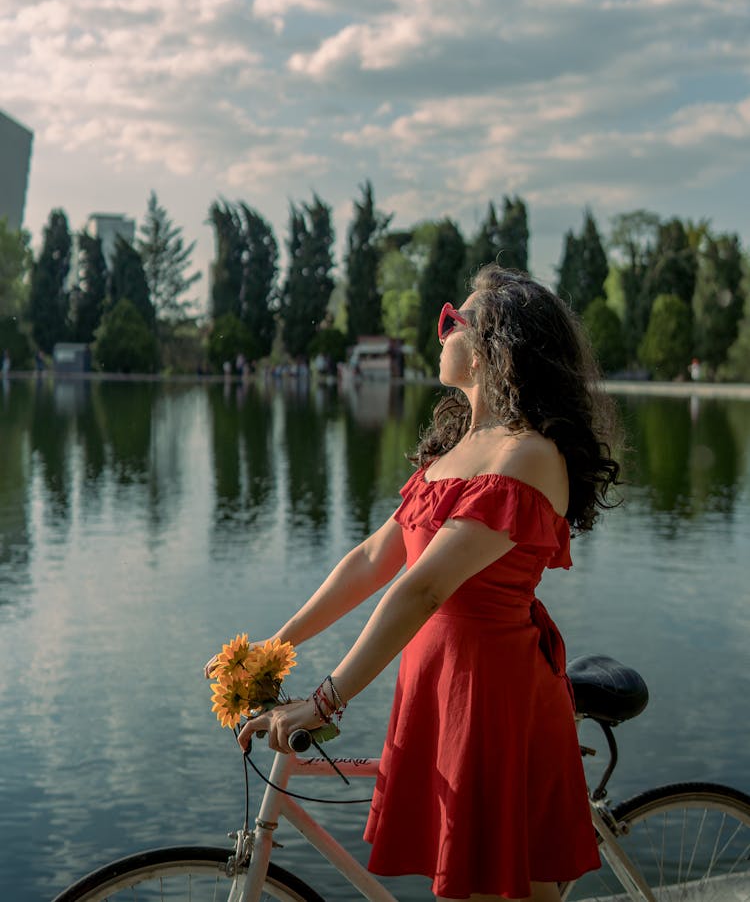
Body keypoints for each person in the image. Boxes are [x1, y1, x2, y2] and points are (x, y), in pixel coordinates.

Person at [205, 265, 621, 902]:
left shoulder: (529, 454)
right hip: (440, 696)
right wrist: (275, 646)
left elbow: (422, 589)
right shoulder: (454, 450)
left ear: (492, 345)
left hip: (493, 703)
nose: (442, 329)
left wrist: (323, 701)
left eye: (453, 319)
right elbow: (373, 560)